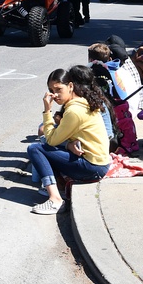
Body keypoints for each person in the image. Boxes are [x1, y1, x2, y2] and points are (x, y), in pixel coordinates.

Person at [26, 65, 112, 215]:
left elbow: (51, 140)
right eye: (52, 91)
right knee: (45, 146)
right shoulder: (82, 102)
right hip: (99, 163)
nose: (55, 95)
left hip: (93, 167)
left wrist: (47, 111)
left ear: (70, 86)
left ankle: (55, 199)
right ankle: (57, 187)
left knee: (35, 148)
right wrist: (69, 144)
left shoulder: (74, 110)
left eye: (59, 89)